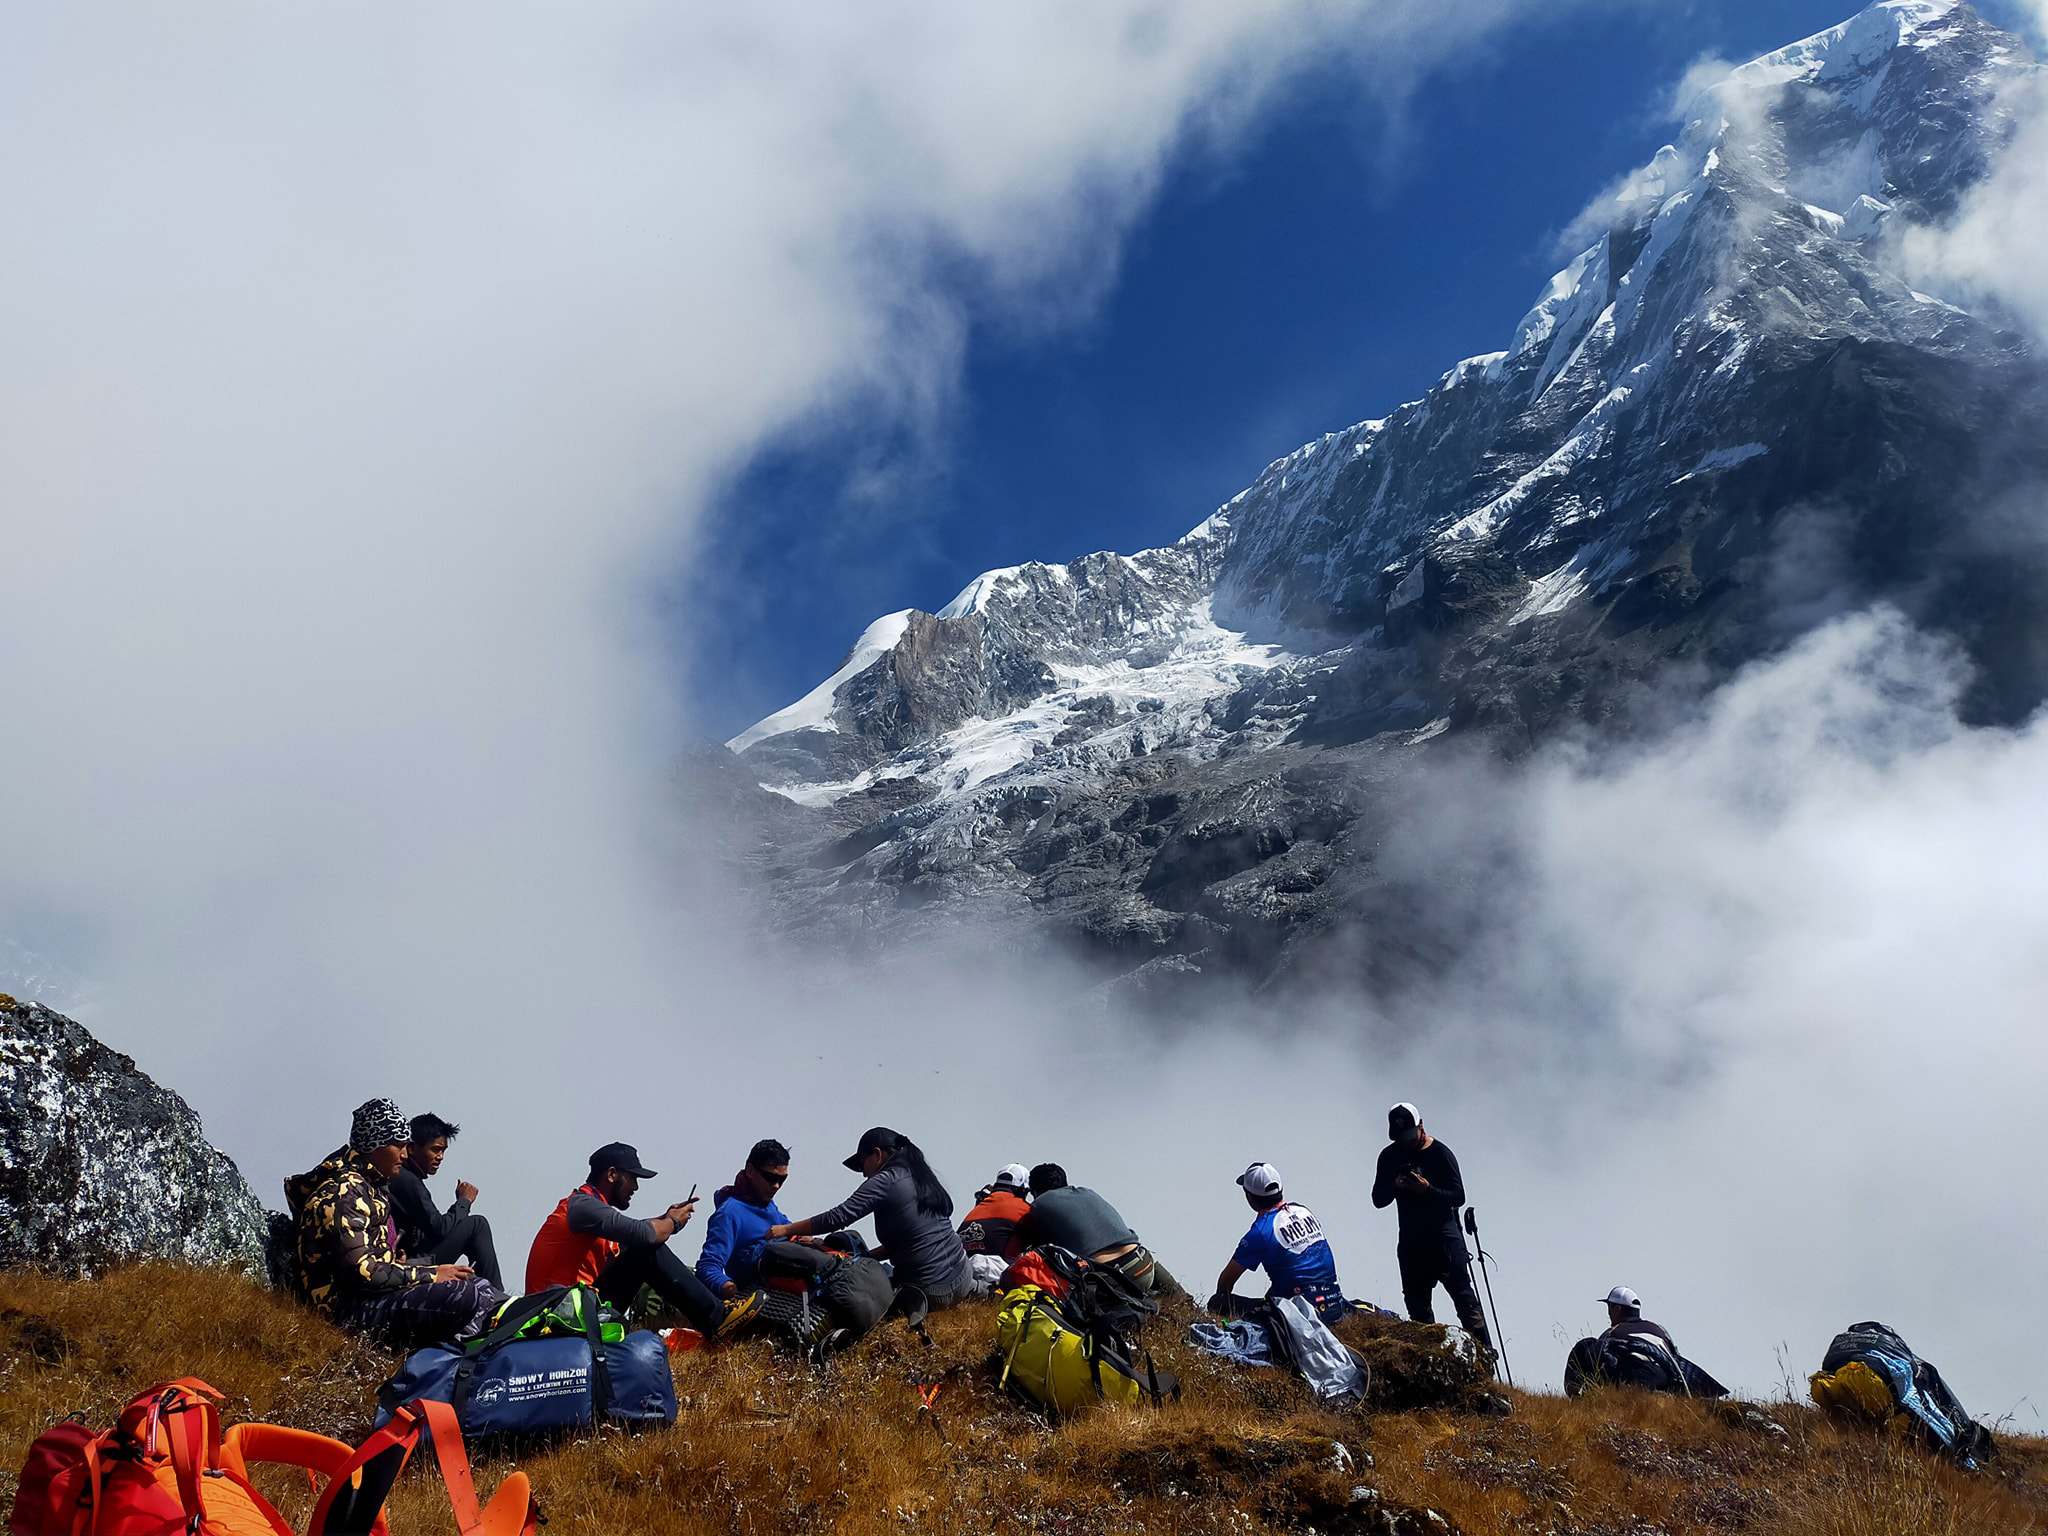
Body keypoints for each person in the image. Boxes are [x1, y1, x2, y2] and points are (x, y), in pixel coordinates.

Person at [284, 1098, 501, 1348]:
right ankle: (477, 1337)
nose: (405, 1154)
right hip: (347, 1310)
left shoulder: (370, 1186)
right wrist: (430, 1274)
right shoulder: (345, 1192)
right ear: (375, 1145)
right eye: (399, 1145)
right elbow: (363, 1272)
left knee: (474, 1283)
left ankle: (494, 1320)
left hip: (370, 1295)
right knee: (462, 1294)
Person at [525, 1141, 762, 1340]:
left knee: (640, 1247)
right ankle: (717, 1319)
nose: (636, 1187)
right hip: (556, 1315)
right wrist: (673, 1223)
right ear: (611, 1174)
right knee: (647, 1250)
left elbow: (633, 1232)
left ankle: (718, 1320)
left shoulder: (591, 1210)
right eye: (633, 1178)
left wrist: (665, 1219)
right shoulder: (582, 1205)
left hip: (574, 1309)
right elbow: (642, 1234)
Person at [766, 1127, 973, 1308]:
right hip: (963, 1274)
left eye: (862, 1164)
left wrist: (786, 1229)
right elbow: (910, 1243)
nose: (864, 1174)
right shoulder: (919, 1176)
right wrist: (863, 1259)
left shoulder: (886, 1180)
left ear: (877, 1154)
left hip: (931, 1292)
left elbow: (837, 1217)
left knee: (856, 1293)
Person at [1370, 1102, 1492, 1349]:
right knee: (1418, 1309)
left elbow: (1458, 1196)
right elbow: (1377, 1199)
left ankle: (1484, 1357)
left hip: (1444, 1241)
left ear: (1421, 1125)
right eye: (1399, 1138)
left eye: (1409, 1136)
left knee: (1465, 1302)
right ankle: (1429, 1358)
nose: (1405, 1142)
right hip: (1412, 1244)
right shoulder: (1389, 1156)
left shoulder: (1440, 1154)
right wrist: (1396, 1185)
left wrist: (1427, 1190)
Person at [1210, 1161, 1348, 1320]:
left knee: (1217, 1303)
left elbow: (1226, 1281)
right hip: (1334, 1307)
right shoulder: (1303, 1211)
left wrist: (1221, 1301)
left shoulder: (1260, 1232)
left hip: (1299, 1317)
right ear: (1280, 1190)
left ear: (1250, 1198)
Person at [1014, 1163, 1174, 1297]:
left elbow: (1041, 1252)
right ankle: (1187, 1304)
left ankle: (1147, 1306)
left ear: (1034, 1191)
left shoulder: (1040, 1205)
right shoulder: (1087, 1191)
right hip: (1143, 1264)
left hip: (1108, 1279)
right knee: (1140, 1259)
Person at [386, 1112, 503, 1290]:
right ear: (412, 1148)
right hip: (409, 1265)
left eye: (443, 1151)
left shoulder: (408, 1178)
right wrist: (464, 1202)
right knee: (477, 1225)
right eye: (435, 1149)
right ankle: (497, 1297)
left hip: (411, 1257)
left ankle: (489, 1292)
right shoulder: (406, 1180)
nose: (440, 1157)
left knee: (474, 1225)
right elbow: (439, 1228)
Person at [697, 1139, 792, 1299]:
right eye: (770, 1177)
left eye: (782, 1180)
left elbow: (790, 1229)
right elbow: (707, 1266)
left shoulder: (768, 1206)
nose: (776, 1186)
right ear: (750, 1170)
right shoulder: (729, 1213)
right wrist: (732, 1291)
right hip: (757, 1295)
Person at [958, 1164, 1032, 1259]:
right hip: (1000, 1270)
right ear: (1024, 1190)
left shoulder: (975, 1210)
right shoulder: (1024, 1209)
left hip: (962, 1269)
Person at [1598, 1286, 1677, 1355]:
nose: (1609, 1314)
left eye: (1609, 1306)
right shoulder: (1660, 1331)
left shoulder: (1612, 1334)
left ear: (1617, 1309)